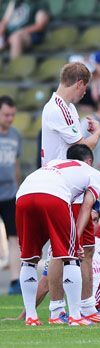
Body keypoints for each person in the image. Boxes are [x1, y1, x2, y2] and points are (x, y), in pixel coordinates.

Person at [41, 62, 100, 325]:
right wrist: (97, 133)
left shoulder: (69, 108)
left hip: (75, 187)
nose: (83, 94)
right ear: (79, 84)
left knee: (86, 249)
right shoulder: (56, 109)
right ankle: (56, 311)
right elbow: (81, 150)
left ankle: (88, 308)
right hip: (60, 186)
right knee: (62, 251)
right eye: (84, 89)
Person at [16, 144, 100, 326]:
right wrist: (76, 238)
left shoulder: (55, 163)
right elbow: (87, 206)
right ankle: (75, 316)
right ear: (89, 161)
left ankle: (31, 316)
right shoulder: (93, 172)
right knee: (69, 257)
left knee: (28, 259)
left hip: (23, 193)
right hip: (53, 195)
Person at [18, 206, 100, 320]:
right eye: (89, 220)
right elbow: (46, 283)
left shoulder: (99, 243)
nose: (92, 225)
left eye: (95, 220)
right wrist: (26, 313)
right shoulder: (61, 244)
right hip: (94, 302)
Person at [0, 95, 21, 295]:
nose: (10, 118)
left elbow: (15, 163)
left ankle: (16, 281)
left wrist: (18, 187)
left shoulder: (15, 135)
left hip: (9, 194)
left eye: (12, 115)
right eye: (6, 114)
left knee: (14, 238)